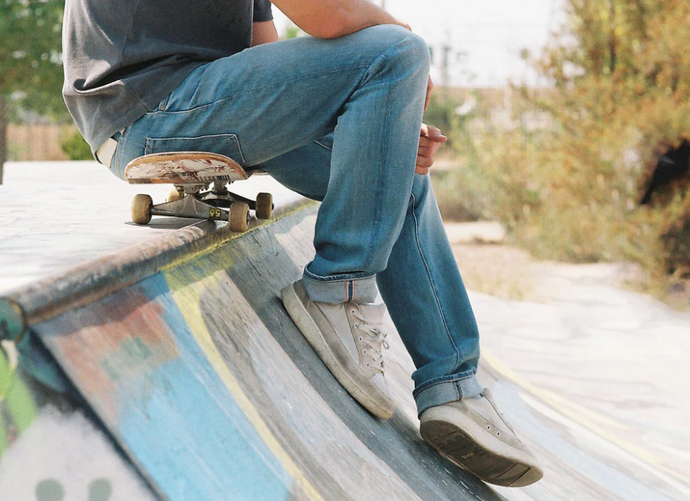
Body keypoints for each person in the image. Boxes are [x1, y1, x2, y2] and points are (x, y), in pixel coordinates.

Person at [62, 0, 543, 487]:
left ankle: (452, 387)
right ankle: (337, 289)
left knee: (394, 173)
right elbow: (328, 16)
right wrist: (397, 46)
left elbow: (264, 53)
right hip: (145, 110)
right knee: (397, 50)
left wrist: (382, 120)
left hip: (205, 104)